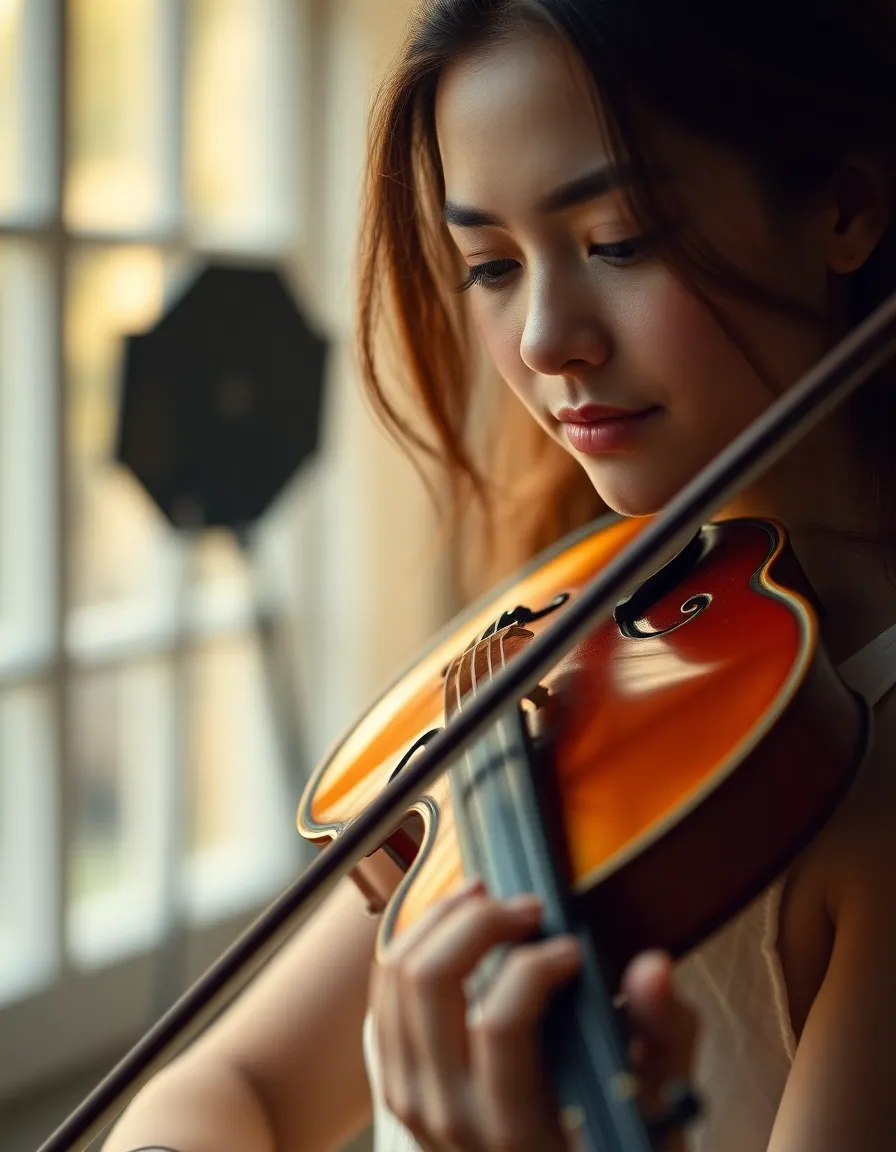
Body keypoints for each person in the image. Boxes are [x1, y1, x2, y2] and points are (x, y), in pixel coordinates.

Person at [103, 0, 896, 1149]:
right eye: (487, 265)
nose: (540, 338)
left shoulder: (866, 778)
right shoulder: (581, 634)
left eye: (616, 240)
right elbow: (227, 1090)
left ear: (844, 207)